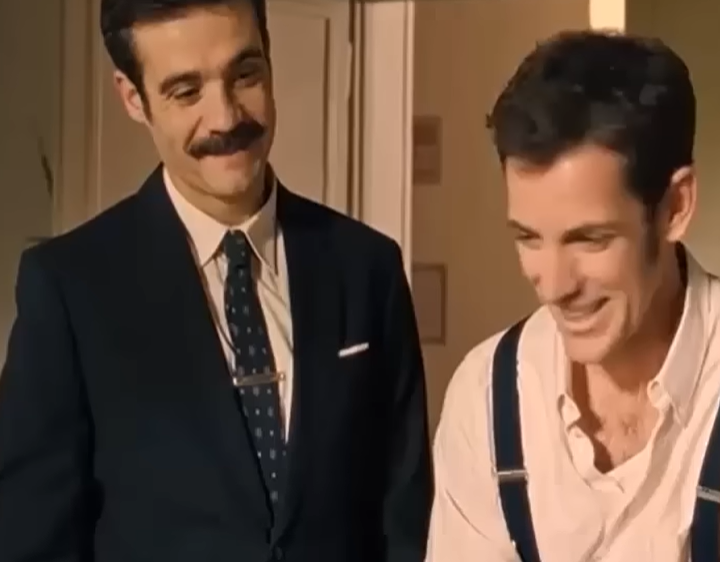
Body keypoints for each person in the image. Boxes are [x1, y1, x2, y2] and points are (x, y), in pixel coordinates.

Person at [0, 1, 433, 561]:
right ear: (133, 98)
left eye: (245, 75)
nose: (226, 119)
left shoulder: (368, 268)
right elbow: (32, 540)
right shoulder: (69, 290)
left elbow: (405, 518)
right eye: (186, 92)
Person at [426, 30, 720, 562]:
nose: (555, 286)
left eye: (589, 239)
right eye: (529, 238)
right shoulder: (485, 396)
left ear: (676, 207)